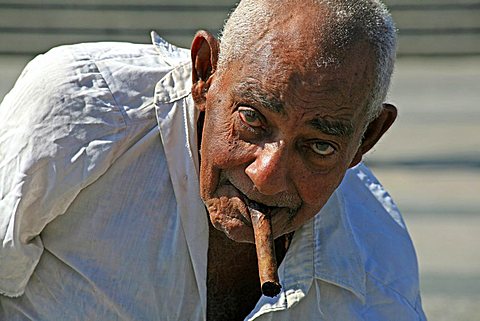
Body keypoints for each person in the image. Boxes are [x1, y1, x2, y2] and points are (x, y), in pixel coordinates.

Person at [0, 0, 426, 320]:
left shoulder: (378, 278)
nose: (266, 177)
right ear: (205, 73)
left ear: (366, 138)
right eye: (252, 119)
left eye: (318, 146)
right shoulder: (84, 115)